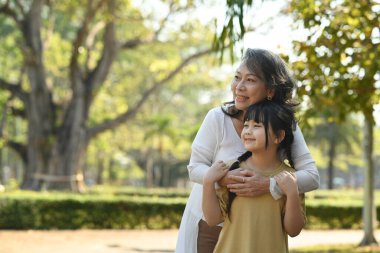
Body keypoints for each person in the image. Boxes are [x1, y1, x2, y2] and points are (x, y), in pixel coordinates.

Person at [175, 48, 319, 253]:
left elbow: (311, 177)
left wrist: (269, 185)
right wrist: (222, 179)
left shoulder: (284, 125)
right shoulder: (217, 118)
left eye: (250, 80)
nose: (239, 87)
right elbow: (195, 168)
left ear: (270, 90)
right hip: (210, 225)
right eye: (237, 78)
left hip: (258, 233)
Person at [203, 101, 305, 253]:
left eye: (257, 126)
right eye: (246, 125)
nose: (248, 131)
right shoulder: (232, 170)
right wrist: (208, 182)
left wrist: (291, 193)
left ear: (279, 136)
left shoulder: (289, 178)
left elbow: (293, 230)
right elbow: (212, 219)